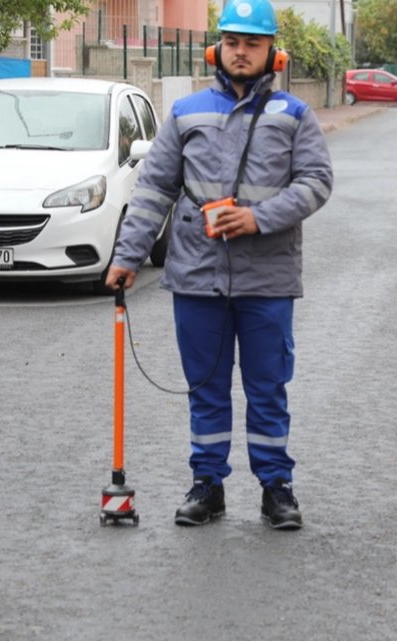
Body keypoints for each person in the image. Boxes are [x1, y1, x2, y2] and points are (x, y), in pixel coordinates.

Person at [104, 0, 333, 530]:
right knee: (204, 388)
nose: (241, 52)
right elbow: (154, 190)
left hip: (268, 279)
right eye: (233, 42)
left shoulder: (295, 115)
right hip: (196, 277)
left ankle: (276, 486)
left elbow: (316, 183)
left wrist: (259, 218)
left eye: (253, 43)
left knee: (266, 387)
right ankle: (208, 484)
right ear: (218, 48)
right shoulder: (186, 112)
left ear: (273, 52)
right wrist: (127, 257)